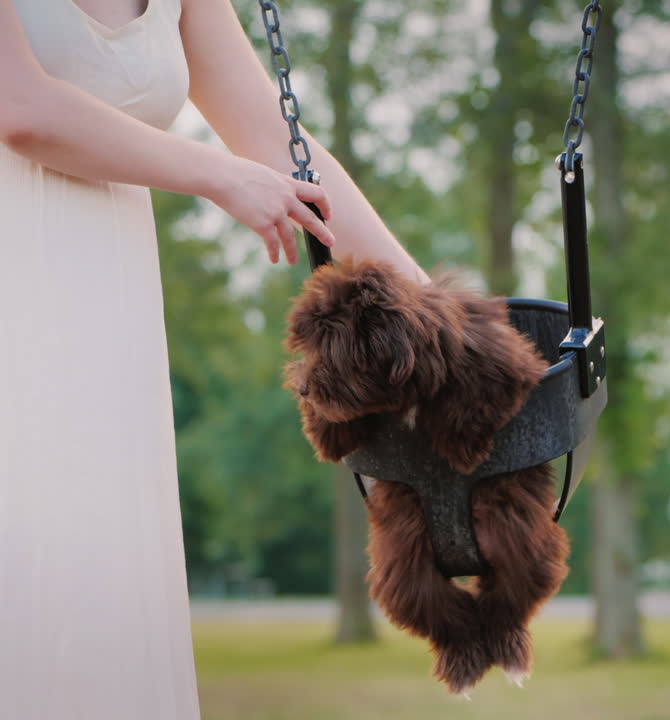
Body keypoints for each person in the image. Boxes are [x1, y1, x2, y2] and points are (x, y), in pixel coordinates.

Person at [0, 0, 428, 716]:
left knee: (94, 616)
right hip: (16, 316)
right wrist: (218, 175)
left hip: (107, 338)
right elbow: (21, 108)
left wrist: (438, 317)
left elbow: (279, 144)